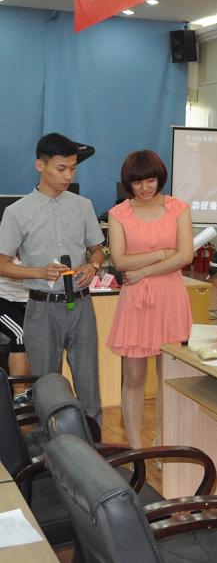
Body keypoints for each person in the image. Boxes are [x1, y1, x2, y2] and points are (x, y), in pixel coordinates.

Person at [0, 133, 105, 421]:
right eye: (61, 168)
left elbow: (98, 250)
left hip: (81, 305)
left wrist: (92, 266)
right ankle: (51, 445)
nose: (68, 176)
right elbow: (2, 264)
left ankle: (93, 443)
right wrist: (38, 271)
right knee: (47, 385)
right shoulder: (17, 212)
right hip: (41, 308)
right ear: (40, 165)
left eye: (73, 169)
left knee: (89, 383)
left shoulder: (83, 206)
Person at [106, 150, 194, 449]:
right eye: (137, 182)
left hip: (170, 297)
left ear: (160, 179)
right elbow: (120, 260)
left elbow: (185, 255)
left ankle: (163, 440)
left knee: (169, 377)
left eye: (150, 180)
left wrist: (143, 270)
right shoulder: (119, 214)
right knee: (133, 378)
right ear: (128, 183)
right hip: (135, 301)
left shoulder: (178, 208)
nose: (144, 187)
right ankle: (136, 447)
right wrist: (160, 254)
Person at [0, 263, 29, 376]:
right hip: (2, 297)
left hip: (30, 298)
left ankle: (33, 386)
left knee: (41, 339)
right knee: (21, 336)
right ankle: (18, 387)